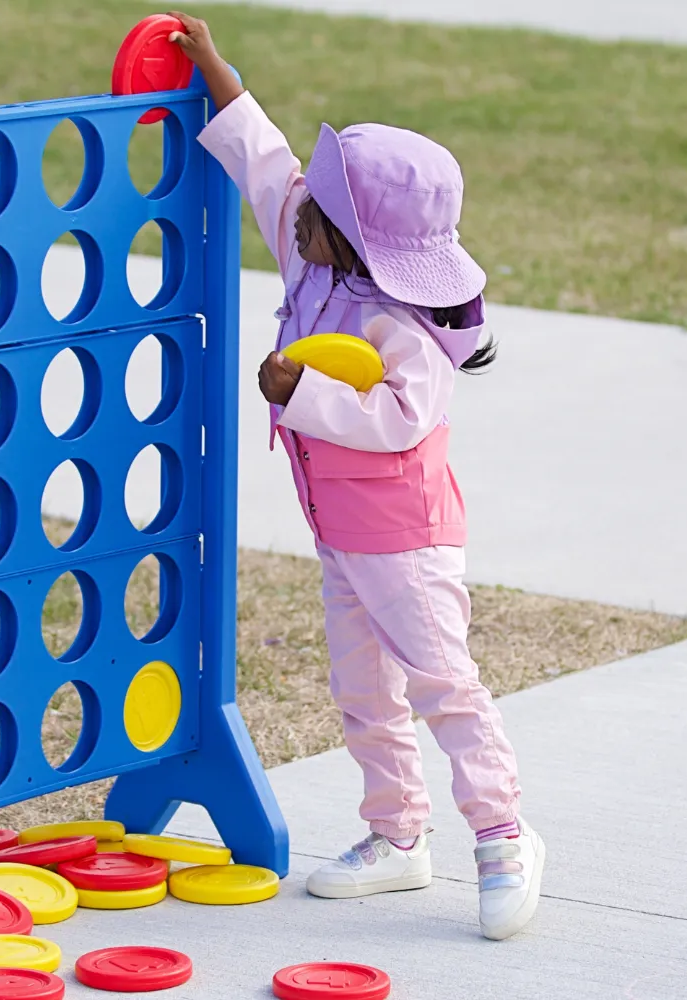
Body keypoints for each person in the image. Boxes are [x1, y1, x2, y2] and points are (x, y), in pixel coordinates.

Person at [167, 12, 542, 941]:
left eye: (320, 206)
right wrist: (221, 75)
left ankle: (503, 836)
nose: (298, 205)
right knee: (362, 688)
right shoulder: (312, 243)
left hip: (407, 540)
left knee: (441, 683)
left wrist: (295, 395)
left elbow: (396, 420)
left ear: (361, 243)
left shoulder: (404, 330)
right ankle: (396, 835)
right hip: (340, 528)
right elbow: (266, 166)